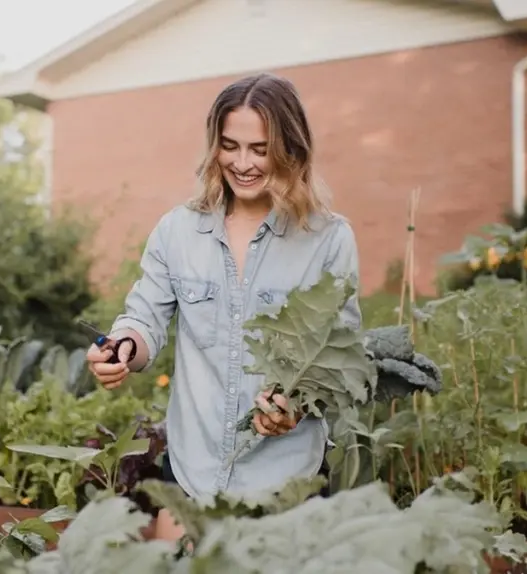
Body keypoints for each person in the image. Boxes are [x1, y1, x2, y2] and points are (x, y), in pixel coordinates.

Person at [84, 72, 361, 541]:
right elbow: (144, 318)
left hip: (287, 482)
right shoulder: (177, 231)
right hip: (193, 475)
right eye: (230, 146)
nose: (243, 163)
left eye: (260, 149)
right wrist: (124, 347)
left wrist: (297, 404)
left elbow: (341, 355)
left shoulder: (328, 239)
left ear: (290, 148)